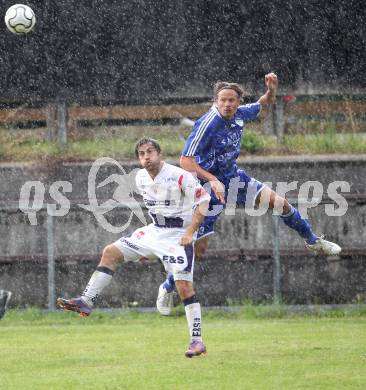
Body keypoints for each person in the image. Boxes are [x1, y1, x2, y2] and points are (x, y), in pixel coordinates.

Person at [156, 73, 342, 315]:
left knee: (280, 203)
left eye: (232, 100)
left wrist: (272, 90)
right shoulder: (207, 124)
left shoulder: (241, 114)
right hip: (205, 189)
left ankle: (313, 241)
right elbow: (185, 161)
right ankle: (168, 286)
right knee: (197, 250)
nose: (227, 104)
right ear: (216, 101)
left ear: (238, 102)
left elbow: (264, 103)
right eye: (222, 100)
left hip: (233, 178)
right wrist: (212, 179)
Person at [57, 138, 211, 358]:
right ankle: (86, 301)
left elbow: (204, 201)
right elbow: (156, 208)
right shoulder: (139, 178)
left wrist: (189, 233)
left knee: (184, 286)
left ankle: (197, 341)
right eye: (141, 153)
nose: (146, 156)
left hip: (178, 235)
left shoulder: (179, 176)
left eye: (150, 152)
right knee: (111, 252)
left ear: (160, 154)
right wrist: (143, 249)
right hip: (155, 232)